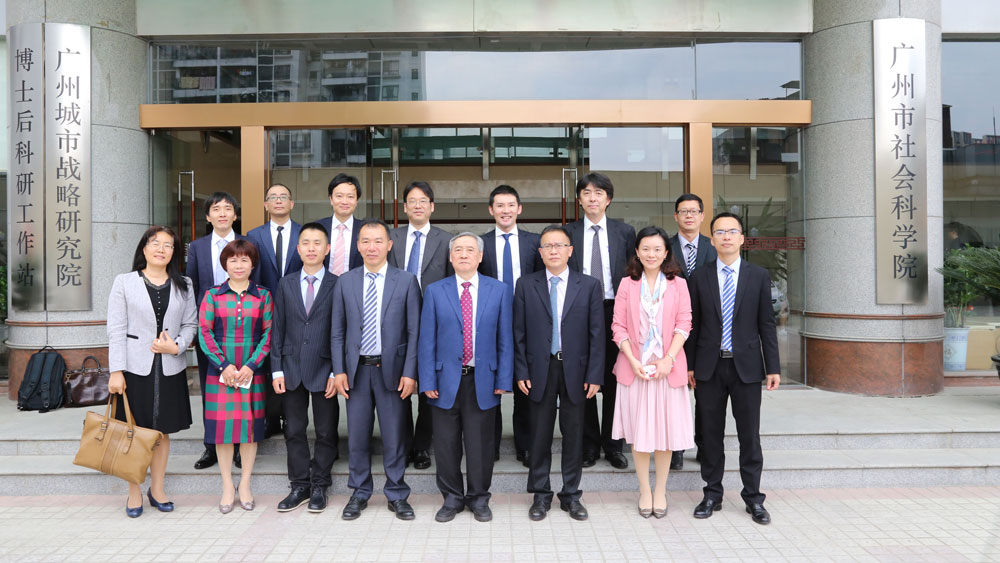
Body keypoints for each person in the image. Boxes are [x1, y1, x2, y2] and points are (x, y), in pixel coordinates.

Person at [687, 212, 780, 525]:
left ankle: (753, 497)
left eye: (732, 231)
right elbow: (693, 325)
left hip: (747, 368)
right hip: (709, 367)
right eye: (719, 232)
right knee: (710, 435)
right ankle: (712, 494)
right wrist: (689, 365)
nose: (726, 236)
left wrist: (773, 367)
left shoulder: (758, 276)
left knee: (749, 436)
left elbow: (766, 324)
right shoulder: (699, 277)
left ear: (742, 238)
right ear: (712, 240)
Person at [419, 233, 513, 523]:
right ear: (450, 257)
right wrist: (427, 380)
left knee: (480, 445)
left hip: (483, 380)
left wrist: (504, 379)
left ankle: (479, 498)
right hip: (444, 380)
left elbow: (505, 338)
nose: (463, 254)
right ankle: (451, 498)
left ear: (480, 256)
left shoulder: (499, 290)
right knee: (446, 444)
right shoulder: (435, 291)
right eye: (457, 250)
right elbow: (427, 340)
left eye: (469, 250)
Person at [331, 219, 421, 521]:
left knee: (395, 437)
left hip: (392, 371)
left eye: (378, 241)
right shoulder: (345, 281)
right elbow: (337, 332)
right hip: (356, 372)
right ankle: (359, 492)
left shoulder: (406, 281)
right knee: (357, 437)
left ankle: (397, 494)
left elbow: (414, 331)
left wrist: (410, 372)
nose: (372, 247)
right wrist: (339, 370)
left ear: (389, 245)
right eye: (366, 241)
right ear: (358, 245)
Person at [514, 225, 604, 522]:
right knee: (539, 435)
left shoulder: (589, 285)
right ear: (540, 252)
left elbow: (597, 335)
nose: (553, 250)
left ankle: (571, 495)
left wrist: (594, 374)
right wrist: (521, 370)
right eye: (548, 246)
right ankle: (540, 495)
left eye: (559, 245)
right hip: (539, 369)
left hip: (576, 370)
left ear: (570, 250)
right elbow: (518, 332)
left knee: (574, 435)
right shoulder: (526, 284)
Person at [107, 226, 198, 518]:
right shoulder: (124, 282)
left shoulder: (184, 284)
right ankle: (134, 490)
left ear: (174, 252)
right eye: (155, 243)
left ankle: (157, 489)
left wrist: (177, 346)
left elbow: (191, 324)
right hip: (134, 368)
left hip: (170, 368)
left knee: (161, 432)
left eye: (168, 245)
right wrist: (116, 371)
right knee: (133, 432)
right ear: (144, 248)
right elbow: (116, 329)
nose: (161, 249)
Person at [610, 226, 694, 518]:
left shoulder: (678, 284)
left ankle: (661, 490)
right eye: (645, 248)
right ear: (637, 251)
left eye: (657, 249)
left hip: (667, 370)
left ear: (666, 252)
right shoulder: (627, 284)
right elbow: (618, 326)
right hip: (636, 368)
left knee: (665, 435)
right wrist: (632, 360)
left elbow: (685, 323)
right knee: (640, 434)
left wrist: (669, 359)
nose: (651, 254)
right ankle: (645, 489)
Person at [564, 172, 636, 470]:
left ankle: (614, 445)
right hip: (578, 312)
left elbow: (634, 273)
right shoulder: (567, 232)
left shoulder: (625, 232)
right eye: (586, 193)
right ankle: (589, 445)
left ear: (608, 199)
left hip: (615, 311)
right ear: (579, 199)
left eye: (598, 193)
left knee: (615, 378)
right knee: (583, 377)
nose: (592, 198)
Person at [198, 239, 273, 514]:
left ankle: (246, 484)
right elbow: (204, 331)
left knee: (249, 430)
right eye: (233, 260)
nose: (238, 265)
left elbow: (269, 333)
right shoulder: (213, 295)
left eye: (244, 260)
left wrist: (252, 365)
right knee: (223, 432)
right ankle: (227, 485)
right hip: (221, 371)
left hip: (252, 371)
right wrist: (223, 365)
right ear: (225, 264)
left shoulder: (263, 295)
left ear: (253, 264)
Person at [271, 223, 339, 513]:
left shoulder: (338, 284)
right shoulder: (285, 283)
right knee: (295, 430)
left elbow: (341, 330)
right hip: (291, 368)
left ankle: (320, 484)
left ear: (327, 249)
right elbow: (277, 328)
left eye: (317, 243)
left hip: (325, 370)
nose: (311, 248)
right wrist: (276, 369)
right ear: (298, 250)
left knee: (326, 431)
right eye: (306, 243)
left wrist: (338, 371)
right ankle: (299, 485)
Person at [388, 180, 453, 471]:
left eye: (423, 201)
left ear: (432, 207)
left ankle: (422, 446)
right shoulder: (391, 237)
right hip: (395, 321)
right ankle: (402, 443)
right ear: (404, 207)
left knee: (429, 383)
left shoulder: (446, 239)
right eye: (412, 201)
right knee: (398, 383)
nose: (417, 206)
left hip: (434, 321)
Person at [479, 185, 542, 467]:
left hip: (528, 321)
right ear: (491, 210)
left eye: (510, 205)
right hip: (489, 322)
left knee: (525, 384)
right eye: (500, 205)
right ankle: (489, 446)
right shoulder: (480, 244)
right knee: (489, 383)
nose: (505, 210)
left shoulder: (535, 242)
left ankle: (525, 446)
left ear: (519, 208)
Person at [186, 191, 248, 470]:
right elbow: (192, 288)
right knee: (211, 388)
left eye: (227, 208)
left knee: (242, 389)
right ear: (208, 216)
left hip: (243, 327)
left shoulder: (246, 244)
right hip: (209, 329)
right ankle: (211, 445)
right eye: (216, 209)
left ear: (235, 215)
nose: (222, 213)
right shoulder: (197, 247)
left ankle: (239, 445)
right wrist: (194, 327)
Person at [247, 183, 302, 438]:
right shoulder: (253, 235)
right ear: (266, 205)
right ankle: (271, 418)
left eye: (283, 196)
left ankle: (291, 417)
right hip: (263, 308)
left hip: (298, 308)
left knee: (293, 360)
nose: (278, 200)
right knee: (268, 361)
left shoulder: (304, 233)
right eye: (273, 197)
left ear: (292, 203)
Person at [668, 193, 717, 470]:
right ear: (676, 216)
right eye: (683, 211)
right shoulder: (665, 247)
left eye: (694, 211)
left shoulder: (714, 246)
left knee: (705, 393)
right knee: (674, 392)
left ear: (702, 216)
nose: (689, 215)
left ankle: (703, 445)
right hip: (672, 330)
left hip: (707, 330)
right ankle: (675, 448)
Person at [317, 173, 365, 275]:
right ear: (331, 199)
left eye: (350, 197)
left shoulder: (365, 230)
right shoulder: (317, 228)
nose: (344, 201)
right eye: (339, 196)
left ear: (356, 201)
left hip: (355, 283)